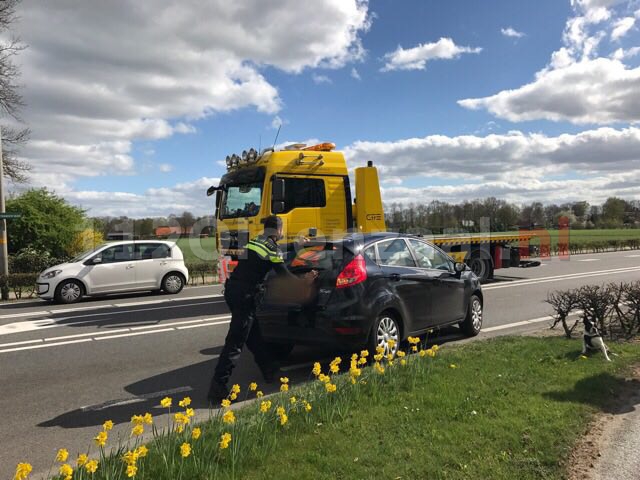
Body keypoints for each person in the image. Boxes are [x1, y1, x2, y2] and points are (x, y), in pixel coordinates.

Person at [207, 215, 318, 404]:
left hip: (233, 291)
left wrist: (296, 244)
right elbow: (283, 273)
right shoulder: (271, 248)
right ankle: (218, 387)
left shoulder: (256, 241)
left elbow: (275, 250)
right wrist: (303, 281)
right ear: (278, 230)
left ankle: (269, 368)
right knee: (235, 342)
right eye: (282, 230)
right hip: (246, 296)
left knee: (253, 334)